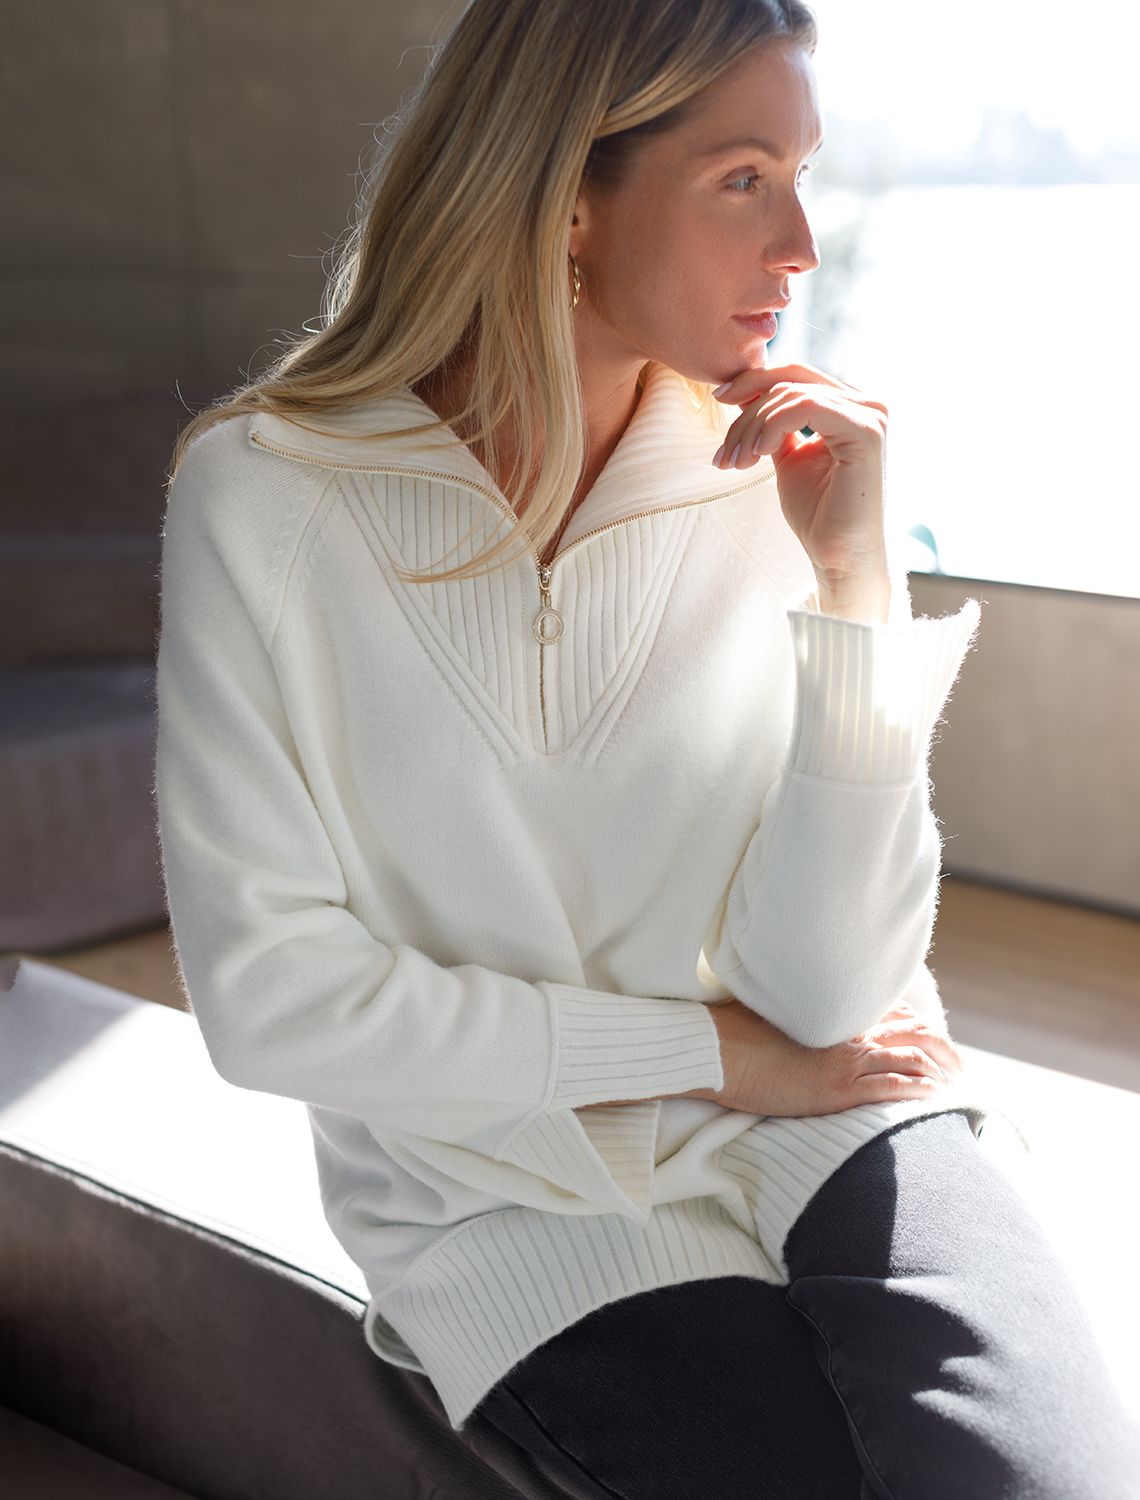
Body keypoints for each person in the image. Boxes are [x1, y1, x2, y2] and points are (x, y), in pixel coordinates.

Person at [153, 0, 1140, 1494]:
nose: (801, 245)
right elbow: (274, 1005)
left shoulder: (769, 478)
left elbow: (825, 996)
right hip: (523, 1206)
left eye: (803, 176)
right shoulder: (268, 496)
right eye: (745, 179)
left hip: (840, 1111)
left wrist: (855, 591)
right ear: (566, 198)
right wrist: (710, 1057)